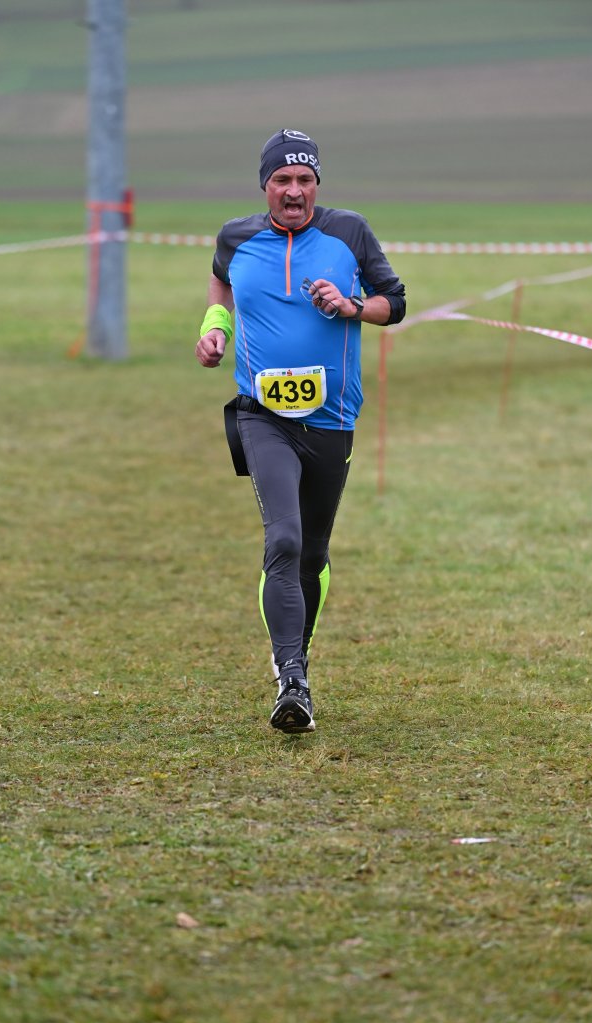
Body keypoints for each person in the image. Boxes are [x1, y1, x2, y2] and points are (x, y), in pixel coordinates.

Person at [195, 129, 406, 734]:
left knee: (312, 551)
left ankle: (297, 652)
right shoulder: (236, 237)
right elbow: (221, 281)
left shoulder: (349, 232)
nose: (294, 191)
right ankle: (292, 680)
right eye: (282, 180)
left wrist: (351, 306)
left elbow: (395, 302)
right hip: (262, 415)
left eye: (304, 180)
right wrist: (215, 328)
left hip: (332, 418)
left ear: (317, 184)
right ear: (265, 185)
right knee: (283, 540)